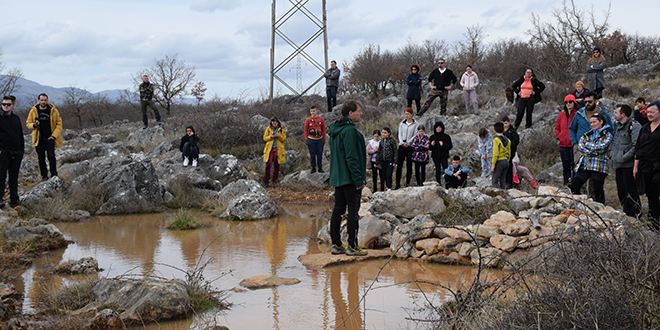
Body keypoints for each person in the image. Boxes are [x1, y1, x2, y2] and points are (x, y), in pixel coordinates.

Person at [328, 100, 367, 256]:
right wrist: (359, 181)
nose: (361, 113)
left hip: (338, 178)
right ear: (350, 113)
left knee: (338, 210)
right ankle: (352, 246)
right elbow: (351, 157)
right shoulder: (349, 130)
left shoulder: (335, 131)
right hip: (350, 179)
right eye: (359, 110)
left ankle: (336, 244)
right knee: (352, 212)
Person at [571, 112, 612, 204]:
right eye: (591, 123)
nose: (592, 124)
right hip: (585, 164)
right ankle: (577, 204)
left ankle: (600, 208)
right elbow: (581, 146)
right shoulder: (588, 134)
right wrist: (591, 149)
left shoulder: (607, 135)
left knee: (597, 189)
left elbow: (601, 147)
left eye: (594, 122)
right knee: (575, 185)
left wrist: (587, 146)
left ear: (601, 122)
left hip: (599, 165)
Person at [611, 104, 642, 217]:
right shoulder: (618, 126)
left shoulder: (634, 126)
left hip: (628, 165)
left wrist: (623, 158)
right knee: (621, 191)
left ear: (623, 114)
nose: (615, 114)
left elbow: (636, 146)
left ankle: (636, 215)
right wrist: (612, 156)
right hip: (618, 164)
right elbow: (615, 143)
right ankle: (627, 213)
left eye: (617, 112)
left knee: (631, 191)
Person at [634, 100, 660, 229]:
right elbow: (638, 148)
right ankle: (654, 225)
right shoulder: (645, 127)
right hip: (646, 167)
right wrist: (635, 167)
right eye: (648, 112)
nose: (649, 114)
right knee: (651, 196)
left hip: (658, 166)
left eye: (652, 112)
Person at [26, 93, 63, 181]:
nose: (43, 102)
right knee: (41, 159)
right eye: (41, 100)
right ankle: (44, 176)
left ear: (47, 100)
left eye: (45, 100)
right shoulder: (33, 111)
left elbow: (59, 124)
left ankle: (54, 175)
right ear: (38, 100)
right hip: (38, 138)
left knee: (51, 157)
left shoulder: (53, 110)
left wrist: (54, 136)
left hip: (50, 138)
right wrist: (34, 125)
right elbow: (28, 123)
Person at [0, 96, 24, 208]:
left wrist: (21, 151)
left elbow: (20, 135)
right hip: (3, 152)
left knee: (13, 177)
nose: (5, 106)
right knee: (1, 176)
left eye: (8, 104)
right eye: (3, 104)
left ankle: (14, 200)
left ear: (13, 105)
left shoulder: (16, 118)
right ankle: (0, 199)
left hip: (16, 152)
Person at [556, 95, 578, 185]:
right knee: (565, 165)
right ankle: (566, 183)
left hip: (573, 145)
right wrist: (559, 136)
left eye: (570, 102)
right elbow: (557, 128)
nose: (568, 104)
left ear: (574, 103)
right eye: (566, 102)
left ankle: (575, 184)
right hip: (563, 145)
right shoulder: (561, 115)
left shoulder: (577, 114)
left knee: (574, 165)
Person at [396, 107, 419, 189]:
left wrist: (408, 142)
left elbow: (415, 135)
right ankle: (397, 183)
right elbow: (399, 133)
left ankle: (408, 183)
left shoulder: (416, 124)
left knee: (409, 165)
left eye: (408, 114)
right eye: (405, 114)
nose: (406, 116)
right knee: (399, 165)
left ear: (412, 114)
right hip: (402, 146)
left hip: (410, 146)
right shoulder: (402, 123)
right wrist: (402, 142)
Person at [262, 117, 286, 187]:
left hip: (278, 149)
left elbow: (284, 139)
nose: (274, 125)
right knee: (268, 165)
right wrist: (271, 136)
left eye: (275, 123)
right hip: (270, 149)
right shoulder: (269, 128)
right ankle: (266, 181)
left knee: (276, 165)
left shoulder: (281, 129)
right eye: (272, 124)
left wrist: (279, 136)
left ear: (277, 122)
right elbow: (264, 138)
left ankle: (274, 181)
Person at [304, 105, 326, 173]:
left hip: (319, 139)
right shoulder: (308, 120)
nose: (313, 112)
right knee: (312, 154)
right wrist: (307, 139)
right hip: (311, 139)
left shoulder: (321, 119)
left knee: (320, 154)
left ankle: (320, 168)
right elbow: (305, 129)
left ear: (317, 111)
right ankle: (313, 168)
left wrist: (323, 138)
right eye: (311, 111)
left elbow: (323, 129)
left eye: (314, 111)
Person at [377, 127, 397, 191]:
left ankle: (389, 187)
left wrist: (395, 161)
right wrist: (377, 162)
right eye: (382, 133)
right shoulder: (381, 141)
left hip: (389, 161)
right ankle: (386, 186)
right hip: (383, 161)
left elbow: (395, 151)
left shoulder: (392, 141)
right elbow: (379, 152)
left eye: (385, 133)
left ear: (389, 133)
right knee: (384, 175)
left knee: (389, 175)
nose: (383, 134)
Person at [491, 122, 511, 189]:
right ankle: (504, 193)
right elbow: (509, 153)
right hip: (506, 161)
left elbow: (495, 153)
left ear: (494, 130)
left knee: (495, 181)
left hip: (499, 161)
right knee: (503, 179)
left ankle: (498, 195)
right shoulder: (508, 140)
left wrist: (493, 165)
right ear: (503, 130)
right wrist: (507, 160)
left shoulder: (496, 140)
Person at [502, 116, 519, 188]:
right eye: (503, 124)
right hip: (503, 153)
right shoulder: (501, 131)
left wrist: (509, 145)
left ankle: (509, 183)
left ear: (509, 122)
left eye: (506, 123)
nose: (505, 125)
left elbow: (516, 141)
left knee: (509, 168)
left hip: (511, 153)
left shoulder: (513, 131)